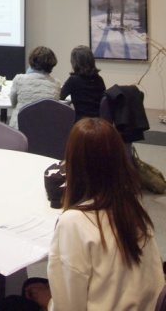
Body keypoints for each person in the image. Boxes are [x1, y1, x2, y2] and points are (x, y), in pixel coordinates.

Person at [45, 118, 164, 311]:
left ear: (72, 164)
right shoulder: (133, 205)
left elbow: (67, 306)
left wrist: (47, 301)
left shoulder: (74, 222)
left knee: (17, 299)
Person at [9, 46, 61, 129]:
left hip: (20, 128)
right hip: (46, 129)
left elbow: (13, 102)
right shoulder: (57, 84)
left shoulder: (19, 79)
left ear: (32, 61)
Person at [60, 45, 106, 121]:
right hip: (98, 122)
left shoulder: (73, 80)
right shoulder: (99, 79)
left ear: (75, 63)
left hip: (81, 122)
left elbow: (60, 96)